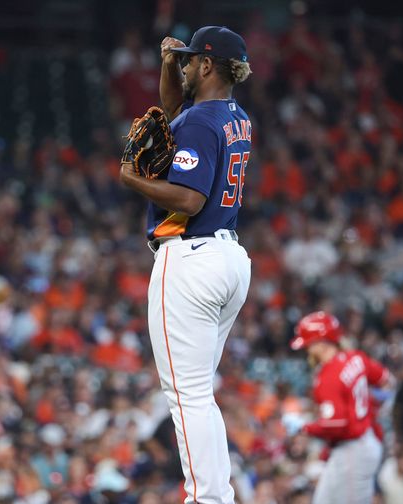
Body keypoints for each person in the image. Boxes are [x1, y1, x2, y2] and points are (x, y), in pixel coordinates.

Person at [118, 25, 253, 504]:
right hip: (229, 258)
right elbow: (174, 107)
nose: (187, 65)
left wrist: (133, 179)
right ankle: (217, 495)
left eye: (192, 60)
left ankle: (207, 499)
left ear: (208, 66)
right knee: (199, 394)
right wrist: (168, 64)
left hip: (191, 257)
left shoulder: (199, 122)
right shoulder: (233, 115)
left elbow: (189, 199)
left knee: (187, 397)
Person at [290, 311, 394, 504]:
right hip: (363, 440)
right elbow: (386, 380)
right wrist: (373, 405)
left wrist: (304, 427)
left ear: (321, 342)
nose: (307, 350)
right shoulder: (356, 357)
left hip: (354, 451)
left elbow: (337, 425)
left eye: (309, 345)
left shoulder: (328, 376)